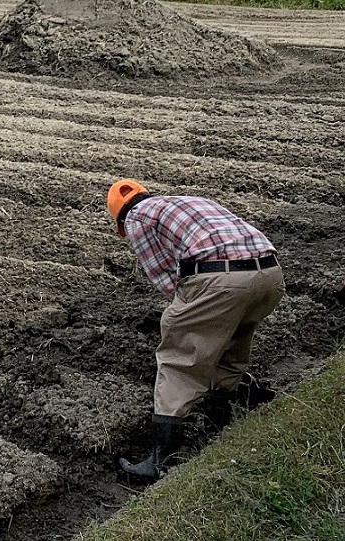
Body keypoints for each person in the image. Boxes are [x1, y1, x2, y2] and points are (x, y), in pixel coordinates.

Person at [105, 180, 285, 483]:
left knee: (178, 358)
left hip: (220, 280)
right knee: (233, 340)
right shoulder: (187, 200)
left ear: (121, 219)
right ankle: (220, 423)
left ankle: (162, 462)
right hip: (269, 275)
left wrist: (182, 316)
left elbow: (162, 274)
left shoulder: (137, 217)